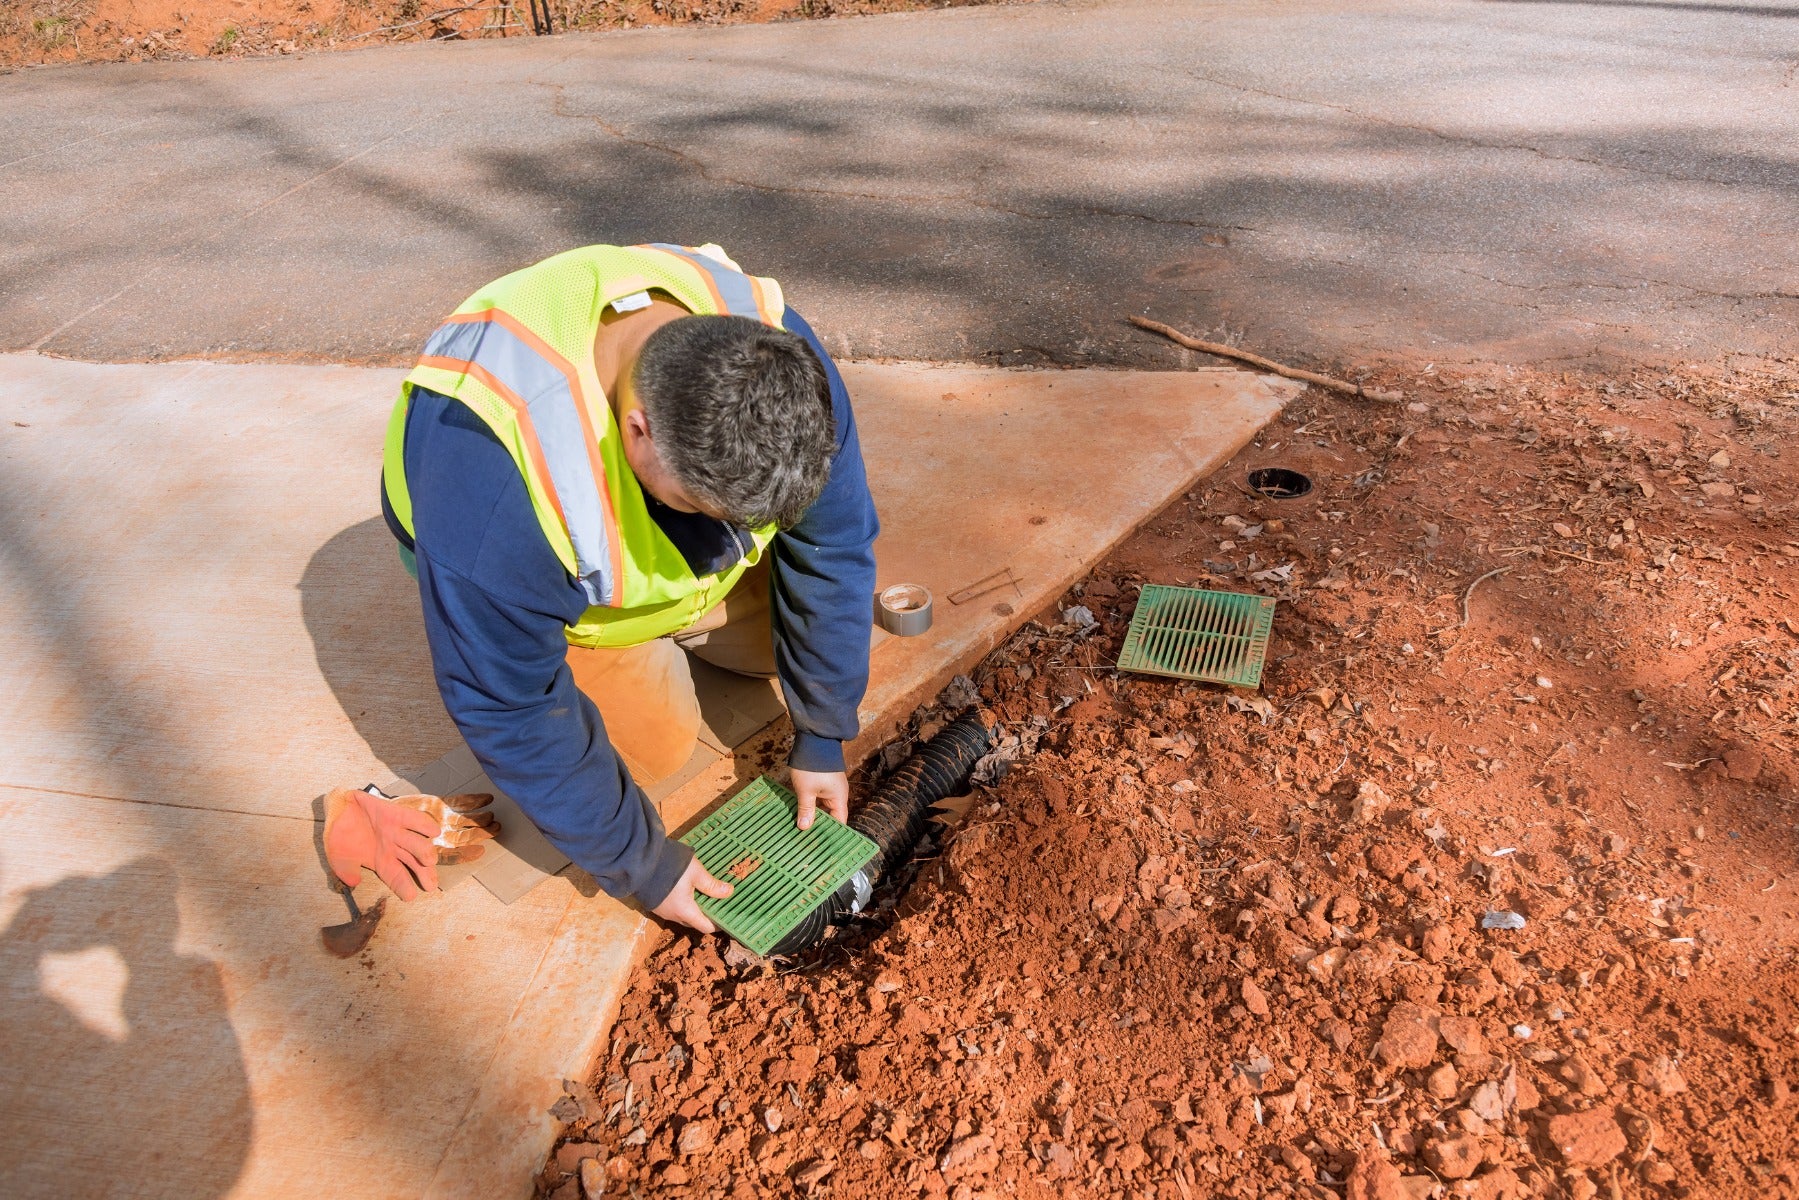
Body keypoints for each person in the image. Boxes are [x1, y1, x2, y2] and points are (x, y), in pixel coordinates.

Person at [322, 243, 878, 932]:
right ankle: (632, 652)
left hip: (606, 545)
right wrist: (643, 865)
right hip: (550, 590)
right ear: (638, 429)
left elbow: (834, 543)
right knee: (648, 754)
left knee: (786, 651)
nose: (727, 536)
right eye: (702, 507)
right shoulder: (494, 482)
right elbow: (509, 705)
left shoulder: (780, 362)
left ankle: (694, 622)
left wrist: (824, 732)